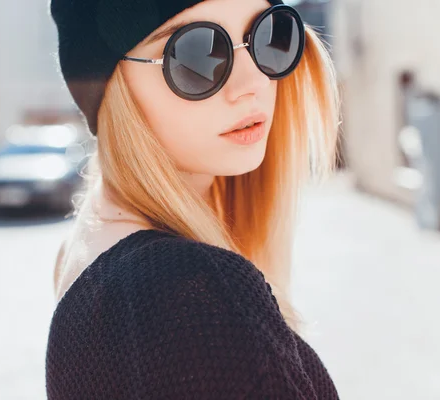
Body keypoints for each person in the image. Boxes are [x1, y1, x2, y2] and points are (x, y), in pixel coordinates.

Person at [47, 0, 340, 398]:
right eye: (197, 53)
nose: (252, 84)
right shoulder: (191, 290)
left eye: (270, 36)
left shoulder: (86, 252)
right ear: (111, 87)